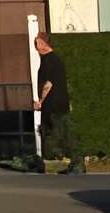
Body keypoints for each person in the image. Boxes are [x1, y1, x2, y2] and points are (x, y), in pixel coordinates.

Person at [34, 31, 82, 174]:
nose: (36, 46)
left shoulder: (50, 60)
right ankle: (75, 164)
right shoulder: (52, 59)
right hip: (59, 104)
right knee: (65, 134)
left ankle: (70, 163)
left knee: (57, 134)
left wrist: (40, 101)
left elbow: (49, 83)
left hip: (54, 105)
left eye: (37, 42)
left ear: (43, 43)